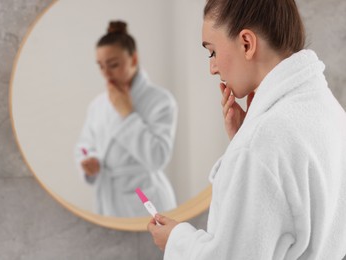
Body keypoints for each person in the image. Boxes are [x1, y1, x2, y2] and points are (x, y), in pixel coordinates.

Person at [148, 0, 346, 259]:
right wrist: (245, 135)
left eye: (212, 52)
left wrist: (176, 241)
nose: (213, 68)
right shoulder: (327, 110)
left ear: (246, 43)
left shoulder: (262, 142)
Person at [75, 21, 177, 218]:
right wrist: (90, 161)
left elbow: (157, 157)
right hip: (108, 198)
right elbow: (84, 146)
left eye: (113, 65)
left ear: (133, 59)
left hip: (144, 198)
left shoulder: (161, 100)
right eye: (101, 66)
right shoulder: (98, 104)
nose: (106, 73)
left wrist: (127, 115)